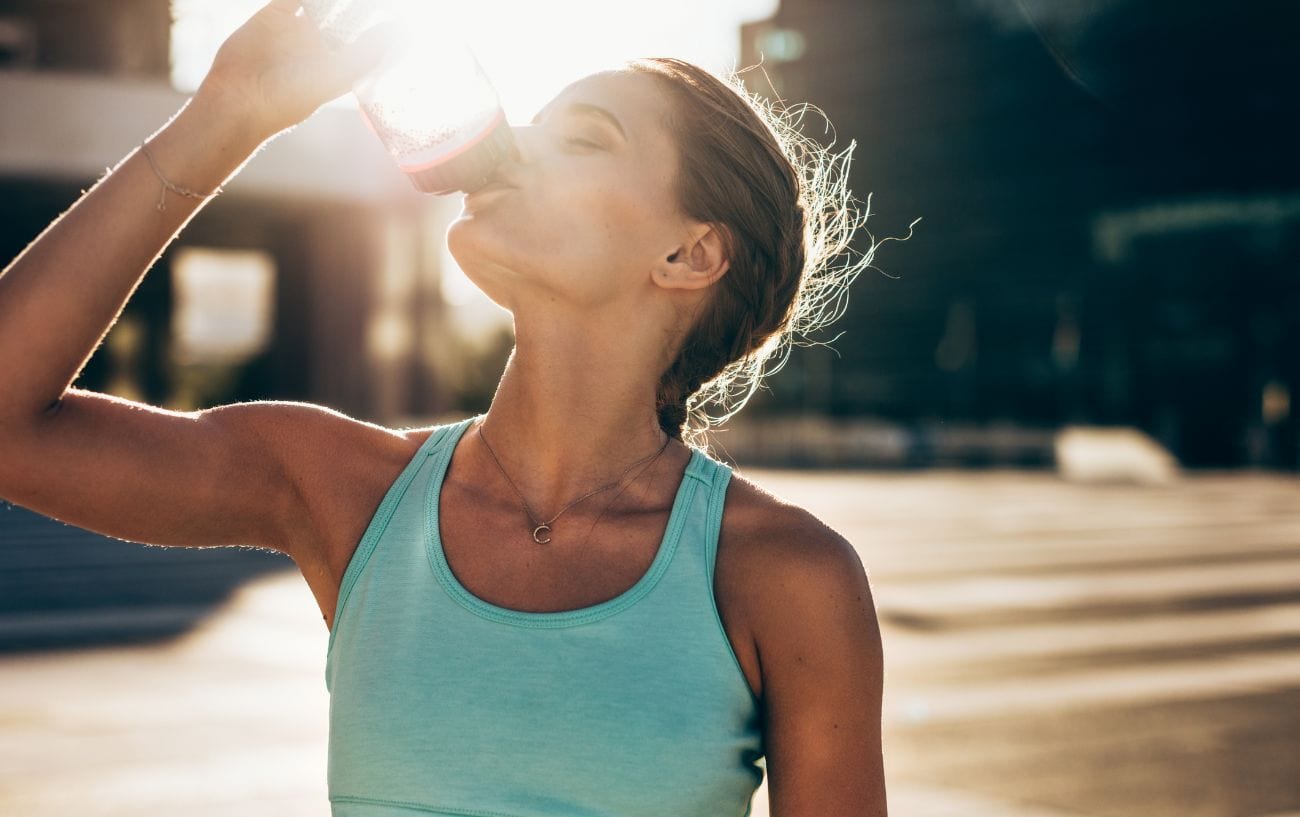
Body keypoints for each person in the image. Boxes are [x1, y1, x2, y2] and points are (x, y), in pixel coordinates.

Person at [0, 1, 886, 814]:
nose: (516, 140)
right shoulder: (344, 490)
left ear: (690, 254)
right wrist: (227, 112)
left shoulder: (786, 576)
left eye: (584, 138)